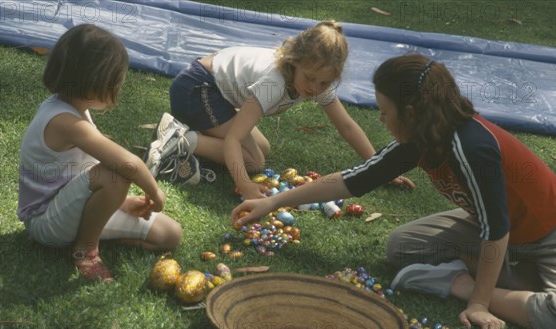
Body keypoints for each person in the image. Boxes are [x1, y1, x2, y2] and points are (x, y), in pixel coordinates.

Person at [231, 54, 556, 329]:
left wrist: (479, 301)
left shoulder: (471, 145)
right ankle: (516, 283)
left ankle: (464, 284)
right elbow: (350, 181)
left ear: (409, 113)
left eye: (384, 111)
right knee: (402, 246)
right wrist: (272, 203)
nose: (380, 118)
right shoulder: (419, 137)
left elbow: (495, 229)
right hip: (499, 233)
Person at [145, 20, 412, 197]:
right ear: (294, 61)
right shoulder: (274, 83)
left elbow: (347, 126)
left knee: (263, 150)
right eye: (310, 78)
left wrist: (380, 166)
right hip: (197, 89)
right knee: (253, 161)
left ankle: (188, 135)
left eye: (325, 82)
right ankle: (180, 139)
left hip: (219, 94)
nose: (315, 88)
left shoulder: (317, 81)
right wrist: (245, 185)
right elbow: (235, 139)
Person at [17, 24, 182, 283]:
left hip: (73, 208)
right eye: (117, 80)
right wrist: (154, 192)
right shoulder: (64, 121)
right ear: (95, 83)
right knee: (114, 174)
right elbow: (128, 164)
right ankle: (85, 251)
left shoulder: (74, 108)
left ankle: (95, 227)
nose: (119, 85)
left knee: (170, 234)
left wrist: (121, 203)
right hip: (46, 222)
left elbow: (83, 167)